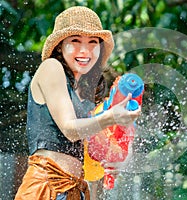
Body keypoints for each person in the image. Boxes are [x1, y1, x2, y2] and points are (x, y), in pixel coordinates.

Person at [14, 6, 141, 200]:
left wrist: (112, 162)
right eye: (75, 41)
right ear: (59, 45)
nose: (85, 50)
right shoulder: (51, 67)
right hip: (46, 186)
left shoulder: (84, 94)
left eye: (92, 42)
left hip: (77, 190)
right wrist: (110, 117)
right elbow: (70, 129)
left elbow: (93, 152)